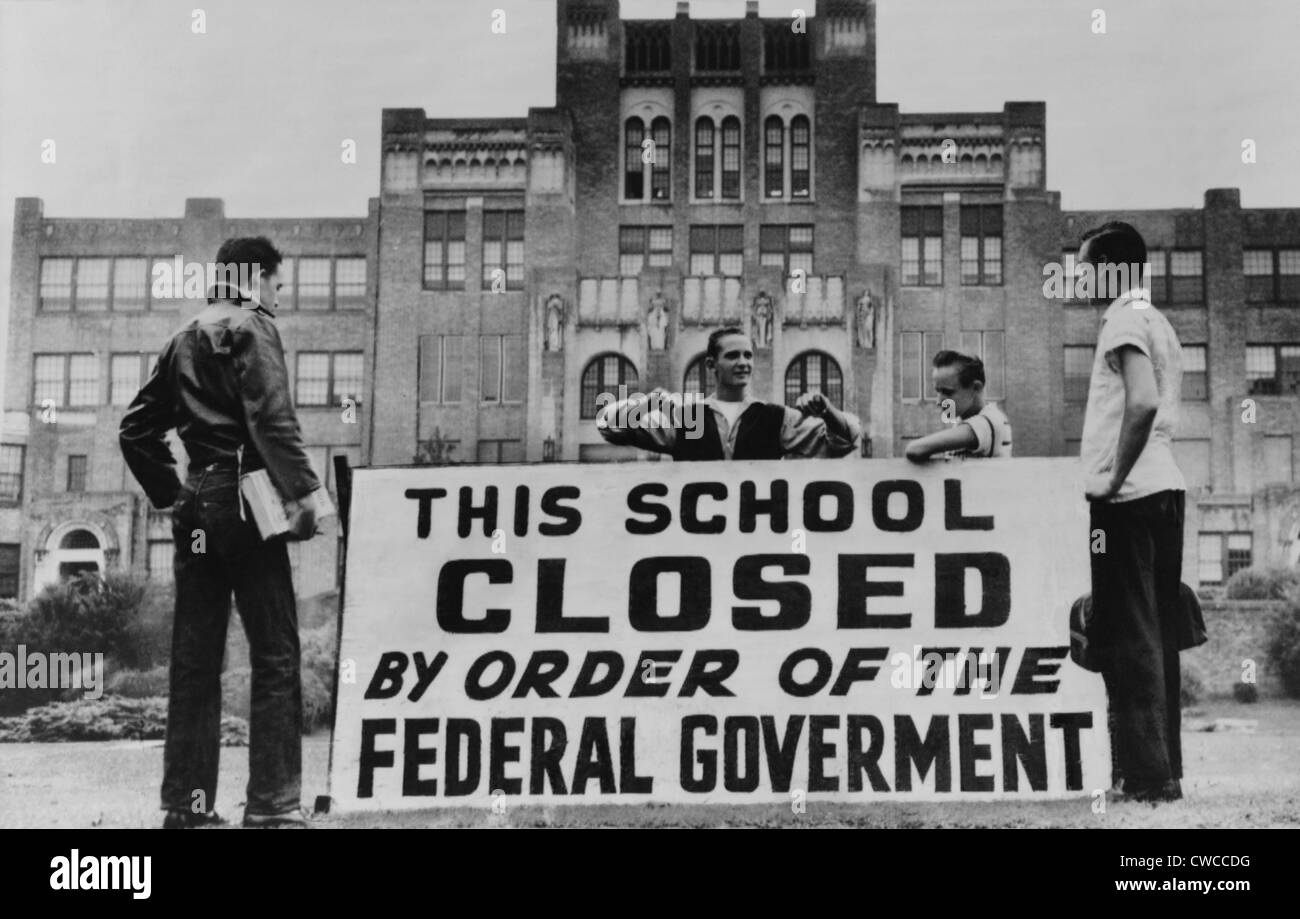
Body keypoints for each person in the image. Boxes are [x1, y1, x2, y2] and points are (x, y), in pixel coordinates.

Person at [120, 236, 321, 828]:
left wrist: (173, 493)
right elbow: (271, 418)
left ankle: (187, 809)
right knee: (278, 654)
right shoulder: (253, 328)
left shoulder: (182, 336)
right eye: (278, 284)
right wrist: (307, 494)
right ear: (255, 277)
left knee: (195, 660)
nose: (279, 296)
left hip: (198, 503)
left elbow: (135, 431)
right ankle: (274, 809)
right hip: (251, 499)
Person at [1077, 220, 1186, 803]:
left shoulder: (1122, 318)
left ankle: (1145, 777)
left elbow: (1141, 401)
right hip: (1166, 489)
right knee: (1158, 630)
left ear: (1114, 268)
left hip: (1130, 496)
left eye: (1087, 264)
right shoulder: (1157, 320)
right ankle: (1164, 769)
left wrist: (1112, 478)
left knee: (1129, 633)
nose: (1078, 276)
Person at [595, 326, 861, 460]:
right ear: (711, 364)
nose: (743, 363)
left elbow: (846, 440)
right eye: (732, 356)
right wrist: (648, 404)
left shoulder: (774, 417)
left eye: (748, 355)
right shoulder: (689, 417)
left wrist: (827, 411)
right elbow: (608, 426)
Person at [904, 350, 1013, 461]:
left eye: (947, 392)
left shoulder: (988, 421)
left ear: (976, 388)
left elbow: (915, 449)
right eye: (938, 391)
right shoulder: (963, 422)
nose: (939, 401)